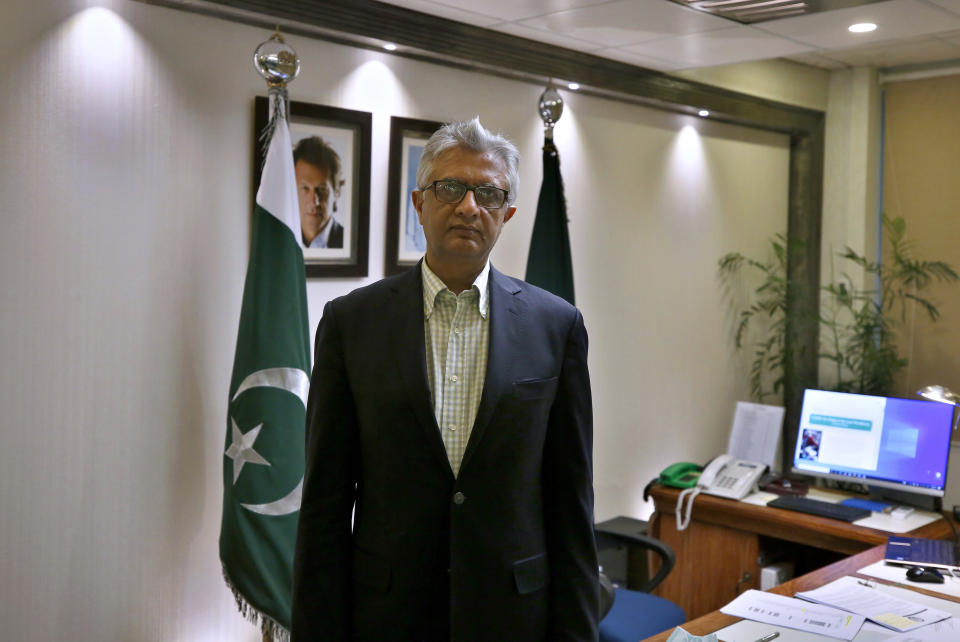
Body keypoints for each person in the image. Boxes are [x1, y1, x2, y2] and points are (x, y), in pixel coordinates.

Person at [291, 118, 599, 641]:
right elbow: (325, 501)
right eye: (451, 188)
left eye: (489, 194)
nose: (469, 207)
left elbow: (570, 501)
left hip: (513, 616)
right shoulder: (350, 323)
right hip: (388, 615)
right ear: (419, 202)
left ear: (508, 214)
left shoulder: (557, 326)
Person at [293, 135, 345, 249]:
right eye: (305, 188)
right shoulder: (280, 243)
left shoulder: (347, 243)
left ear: (337, 192)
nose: (314, 202)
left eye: (322, 189)